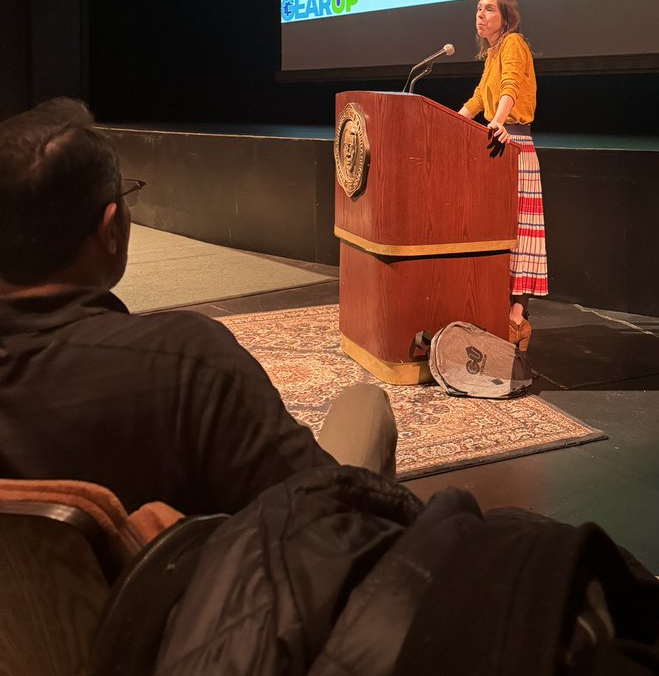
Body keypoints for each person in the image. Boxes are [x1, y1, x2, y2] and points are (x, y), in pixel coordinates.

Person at [0, 98, 396, 514]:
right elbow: (318, 516)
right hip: (190, 576)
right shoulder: (187, 359)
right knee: (365, 406)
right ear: (110, 229)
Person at [459, 0, 548, 349]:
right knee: (496, 231)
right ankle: (501, 315)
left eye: (489, 9)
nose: (480, 15)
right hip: (496, 147)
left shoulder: (513, 44)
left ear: (506, 16)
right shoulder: (492, 52)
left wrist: (496, 121)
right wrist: (446, 124)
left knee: (519, 234)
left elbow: (510, 86)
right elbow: (479, 98)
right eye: (478, 9)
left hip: (514, 146)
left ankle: (516, 318)